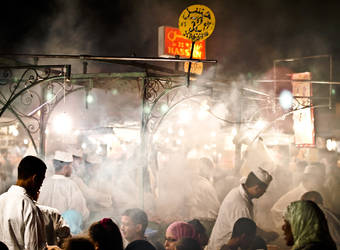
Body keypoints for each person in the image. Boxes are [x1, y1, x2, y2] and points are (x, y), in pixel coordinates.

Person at [207, 167, 277, 250]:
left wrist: (265, 233)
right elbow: (247, 232)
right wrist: (265, 235)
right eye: (264, 191)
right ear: (257, 188)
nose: (264, 193)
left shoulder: (237, 192)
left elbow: (248, 225)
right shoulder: (240, 204)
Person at [0, 155, 47, 249]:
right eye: (41, 181)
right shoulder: (29, 206)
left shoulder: (1, 199)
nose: (40, 186)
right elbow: (33, 247)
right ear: (35, 178)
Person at [271, 162, 326, 229]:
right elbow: (275, 210)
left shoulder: (315, 192)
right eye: (319, 178)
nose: (322, 181)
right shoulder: (295, 194)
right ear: (309, 178)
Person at [39, 151, 89, 220]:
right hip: (62, 229)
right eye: (71, 166)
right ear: (66, 167)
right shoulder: (71, 185)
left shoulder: (43, 183)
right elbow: (81, 212)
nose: (72, 169)